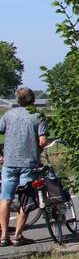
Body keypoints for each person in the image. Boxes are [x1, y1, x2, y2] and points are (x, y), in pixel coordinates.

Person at [0, 88, 47, 246]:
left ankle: (4, 235)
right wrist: (36, 151)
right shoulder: (37, 116)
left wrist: (2, 153)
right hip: (28, 163)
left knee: (6, 198)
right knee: (25, 199)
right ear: (33, 100)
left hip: (9, 162)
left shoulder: (8, 115)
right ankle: (18, 236)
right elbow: (42, 141)